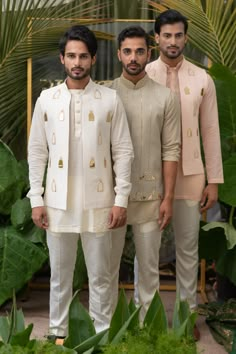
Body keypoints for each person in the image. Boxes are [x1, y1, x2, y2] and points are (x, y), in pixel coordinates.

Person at [27, 25, 134, 338]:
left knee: (100, 276)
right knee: (60, 276)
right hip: (58, 203)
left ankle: (101, 334)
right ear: (62, 58)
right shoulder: (46, 100)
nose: (77, 62)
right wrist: (37, 199)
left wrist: (120, 199)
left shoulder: (109, 100)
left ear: (93, 59)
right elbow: (36, 153)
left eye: (83, 56)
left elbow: (123, 152)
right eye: (71, 55)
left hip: (99, 203)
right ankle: (57, 334)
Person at [145, 9, 224, 339]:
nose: (173, 41)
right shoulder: (144, 73)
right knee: (146, 251)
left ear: (186, 38)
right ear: (157, 38)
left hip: (191, 174)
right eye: (167, 35)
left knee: (188, 251)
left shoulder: (202, 79)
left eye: (179, 35)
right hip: (151, 175)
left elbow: (210, 130)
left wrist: (214, 180)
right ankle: (147, 318)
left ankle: (184, 318)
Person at [109, 26, 181, 320]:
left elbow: (171, 150)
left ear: (148, 53)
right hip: (112, 198)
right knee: (108, 267)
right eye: (127, 51)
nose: (133, 57)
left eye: (139, 51)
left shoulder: (165, 97)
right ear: (119, 54)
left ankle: (146, 330)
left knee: (149, 270)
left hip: (152, 195)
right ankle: (109, 329)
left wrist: (168, 198)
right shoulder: (106, 94)